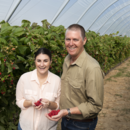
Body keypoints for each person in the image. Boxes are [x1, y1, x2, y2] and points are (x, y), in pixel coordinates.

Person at [46, 24, 104, 130]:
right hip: (65, 120)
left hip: (81, 124)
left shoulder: (92, 67)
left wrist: (67, 111)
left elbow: (95, 106)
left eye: (75, 39)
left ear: (84, 40)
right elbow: (67, 92)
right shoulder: (67, 60)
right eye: (68, 39)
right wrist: (56, 107)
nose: (71, 43)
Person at [16, 48, 61, 130]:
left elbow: (58, 105)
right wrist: (31, 103)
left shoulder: (57, 81)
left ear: (51, 61)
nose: (42, 64)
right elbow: (19, 101)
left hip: (48, 127)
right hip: (25, 126)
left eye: (45, 61)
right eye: (39, 61)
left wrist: (49, 104)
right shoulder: (24, 78)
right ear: (35, 61)